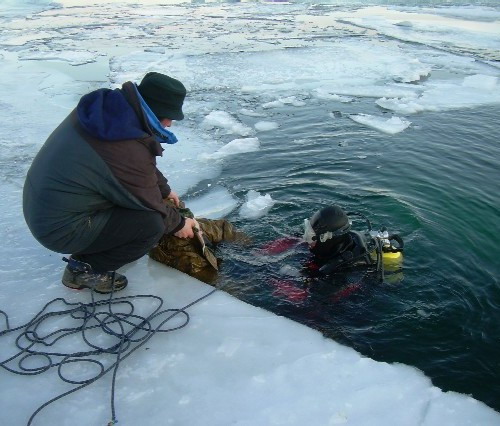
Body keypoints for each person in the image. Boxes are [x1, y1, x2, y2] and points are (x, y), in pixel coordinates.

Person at [23, 72, 200, 294]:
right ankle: (84, 270)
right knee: (151, 224)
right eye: (168, 116)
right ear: (154, 111)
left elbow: (134, 165)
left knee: (143, 210)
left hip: (45, 205)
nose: (170, 123)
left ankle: (96, 247)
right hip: (58, 228)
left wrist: (164, 188)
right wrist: (178, 224)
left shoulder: (111, 114)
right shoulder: (124, 147)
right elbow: (148, 201)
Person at [261, 204, 404, 302]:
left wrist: (268, 279)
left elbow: (310, 299)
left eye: (310, 236)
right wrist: (280, 244)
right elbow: (300, 238)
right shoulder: (335, 241)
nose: (306, 239)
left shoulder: (348, 270)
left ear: (326, 238)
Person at [148, 200, 249, 284]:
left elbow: (224, 228)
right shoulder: (171, 253)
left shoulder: (197, 226)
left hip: (228, 261)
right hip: (207, 276)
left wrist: (248, 246)